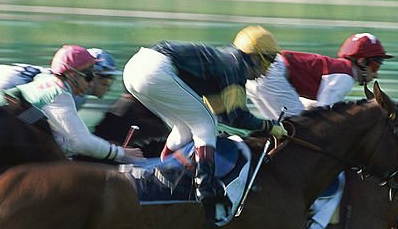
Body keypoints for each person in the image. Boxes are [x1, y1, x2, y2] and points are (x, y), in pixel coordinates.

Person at [122, 26, 287, 218]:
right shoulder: (236, 67)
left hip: (135, 69)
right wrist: (270, 126)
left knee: (184, 127)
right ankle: (205, 187)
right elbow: (237, 116)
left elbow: (224, 115)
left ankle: (161, 172)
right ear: (257, 57)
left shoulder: (225, 61)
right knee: (205, 124)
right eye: (270, 60)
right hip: (154, 70)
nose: (266, 72)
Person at [0, 45, 136, 163]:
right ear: (71, 75)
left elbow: (64, 139)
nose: (91, 83)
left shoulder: (49, 81)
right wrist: (120, 153)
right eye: (89, 75)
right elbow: (81, 142)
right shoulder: (60, 93)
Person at [0, 47, 122, 131]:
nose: (108, 84)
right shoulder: (76, 94)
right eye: (106, 79)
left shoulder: (73, 85)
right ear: (91, 74)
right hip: (3, 86)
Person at [247, 32, 392, 120]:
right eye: (375, 65)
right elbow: (322, 116)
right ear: (362, 61)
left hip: (257, 74)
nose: (376, 73)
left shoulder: (337, 68)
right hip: (272, 74)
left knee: (280, 130)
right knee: (303, 130)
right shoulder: (346, 75)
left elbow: (314, 107)